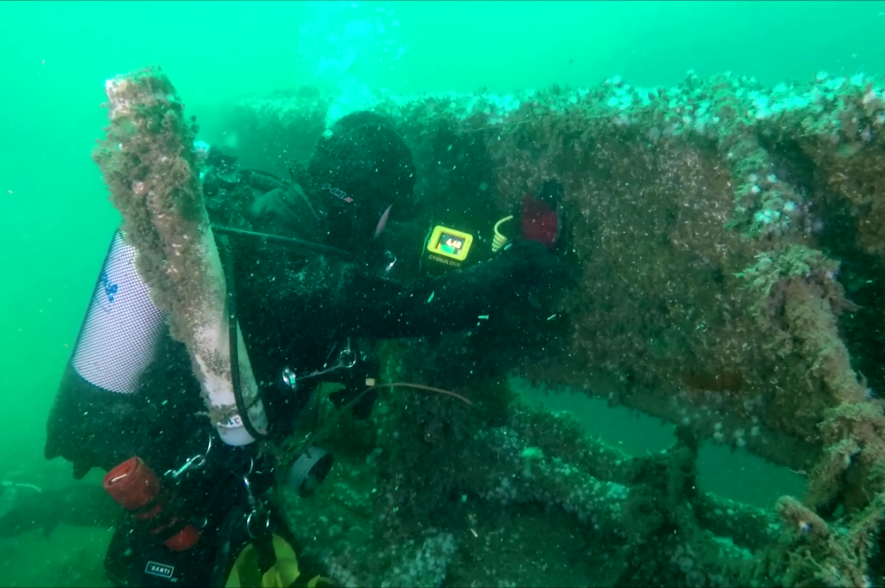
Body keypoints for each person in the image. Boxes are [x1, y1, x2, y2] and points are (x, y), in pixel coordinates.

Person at [25, 111, 566, 587]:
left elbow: (374, 279)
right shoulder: (309, 275)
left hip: (180, 433)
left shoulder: (268, 214)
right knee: (187, 558)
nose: (384, 232)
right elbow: (432, 309)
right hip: (199, 467)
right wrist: (523, 256)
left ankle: (27, 503)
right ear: (363, 203)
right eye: (385, 214)